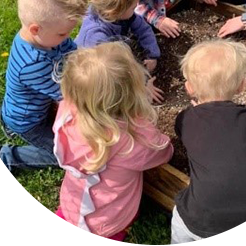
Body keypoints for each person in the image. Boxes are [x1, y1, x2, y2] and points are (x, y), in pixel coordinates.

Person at [24, 42, 173, 246]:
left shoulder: (67, 113)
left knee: (70, 212)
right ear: (132, 94)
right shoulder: (133, 138)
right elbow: (163, 152)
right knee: (113, 231)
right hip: (110, 217)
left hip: (71, 203)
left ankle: (46, 236)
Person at [0, 0, 88, 184]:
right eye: (63, 34)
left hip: (41, 108)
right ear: (35, 29)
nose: (67, 38)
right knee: (63, 155)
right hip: (28, 122)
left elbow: (72, 51)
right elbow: (68, 94)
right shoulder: (32, 63)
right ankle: (2, 157)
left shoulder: (49, 39)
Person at [171, 40, 246, 246]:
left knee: (179, 219)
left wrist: (197, 112)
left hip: (199, 217)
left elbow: (186, 137)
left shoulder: (186, 119)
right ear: (242, 85)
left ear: (189, 88)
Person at [75, 0, 161, 73]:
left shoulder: (122, 15)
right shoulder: (96, 38)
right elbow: (114, 71)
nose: (135, 10)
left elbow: (143, 29)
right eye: (133, 8)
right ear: (115, 11)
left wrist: (152, 54)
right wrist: (143, 81)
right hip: (94, 74)